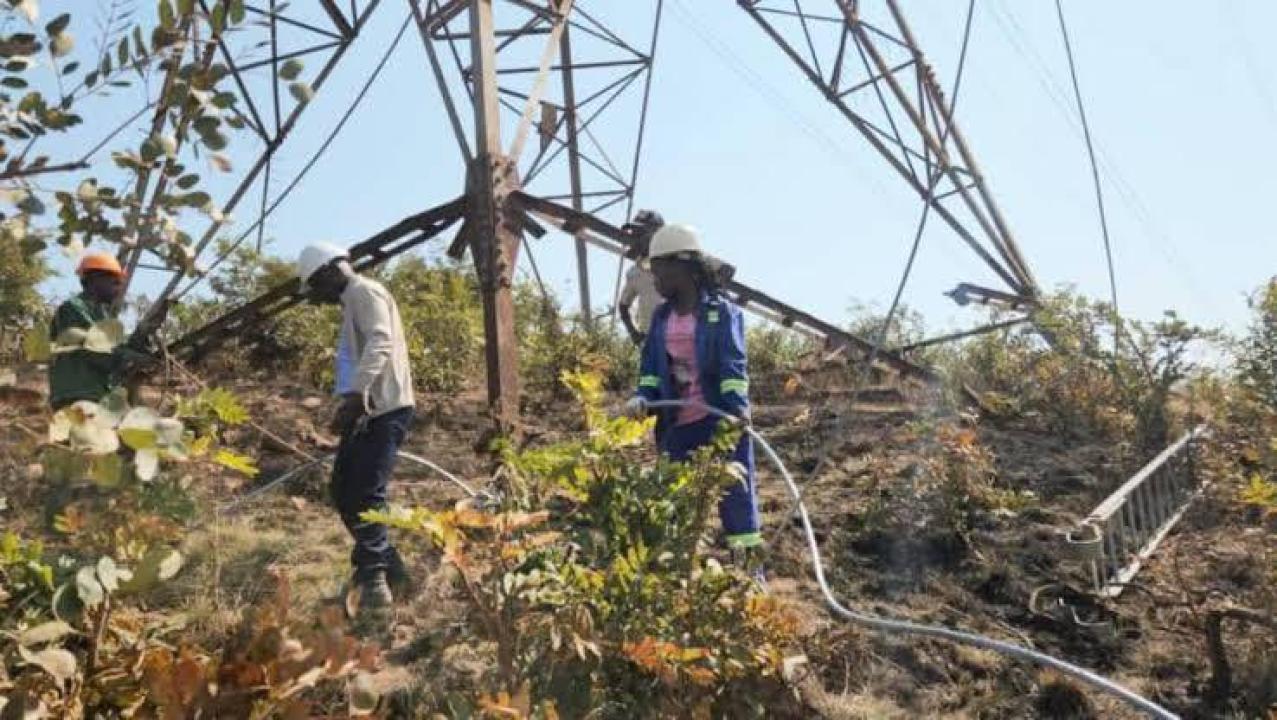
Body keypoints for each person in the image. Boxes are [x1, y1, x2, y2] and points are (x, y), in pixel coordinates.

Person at [623, 223, 763, 566]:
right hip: (678, 426)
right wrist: (643, 395)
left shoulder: (721, 313)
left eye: (660, 273)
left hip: (720, 423)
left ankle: (750, 579)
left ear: (682, 268)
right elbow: (653, 368)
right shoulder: (661, 317)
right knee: (673, 502)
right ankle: (679, 577)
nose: (655, 282)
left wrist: (736, 411)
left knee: (736, 501)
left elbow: (733, 367)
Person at [296, 242, 415, 609]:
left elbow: (381, 340)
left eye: (318, 285)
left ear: (330, 271)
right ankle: (390, 567)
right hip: (367, 411)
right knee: (344, 489)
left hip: (383, 409)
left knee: (366, 492)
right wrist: (349, 400)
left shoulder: (364, 291)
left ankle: (374, 579)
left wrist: (357, 393)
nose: (321, 295)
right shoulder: (352, 301)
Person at [48, 253, 138, 410]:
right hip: (76, 394)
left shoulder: (103, 315)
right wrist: (129, 357)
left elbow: (113, 350)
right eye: (115, 283)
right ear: (95, 279)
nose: (118, 289)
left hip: (98, 395)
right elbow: (96, 351)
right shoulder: (73, 308)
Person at [617, 210, 666, 345]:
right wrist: (633, 333)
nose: (635, 238)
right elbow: (623, 305)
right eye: (634, 233)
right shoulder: (634, 273)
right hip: (651, 340)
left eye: (641, 233)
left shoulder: (676, 262)